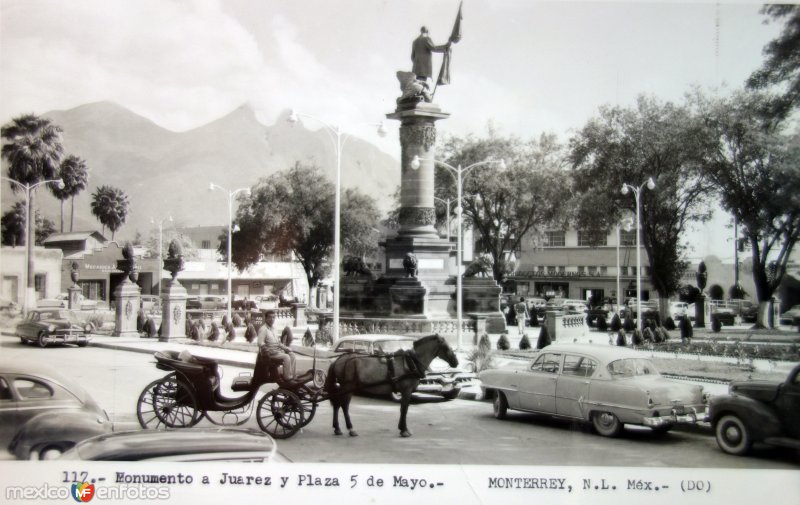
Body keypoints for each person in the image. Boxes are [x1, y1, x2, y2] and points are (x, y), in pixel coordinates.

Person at [257, 310, 296, 381]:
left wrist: (286, 348)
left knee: (292, 355)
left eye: (273, 317)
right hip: (270, 353)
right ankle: (287, 378)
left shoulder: (274, 329)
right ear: (265, 319)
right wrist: (265, 349)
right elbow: (260, 342)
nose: (272, 319)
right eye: (270, 317)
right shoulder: (263, 329)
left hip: (277, 352)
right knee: (286, 357)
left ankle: (291, 375)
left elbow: (278, 343)